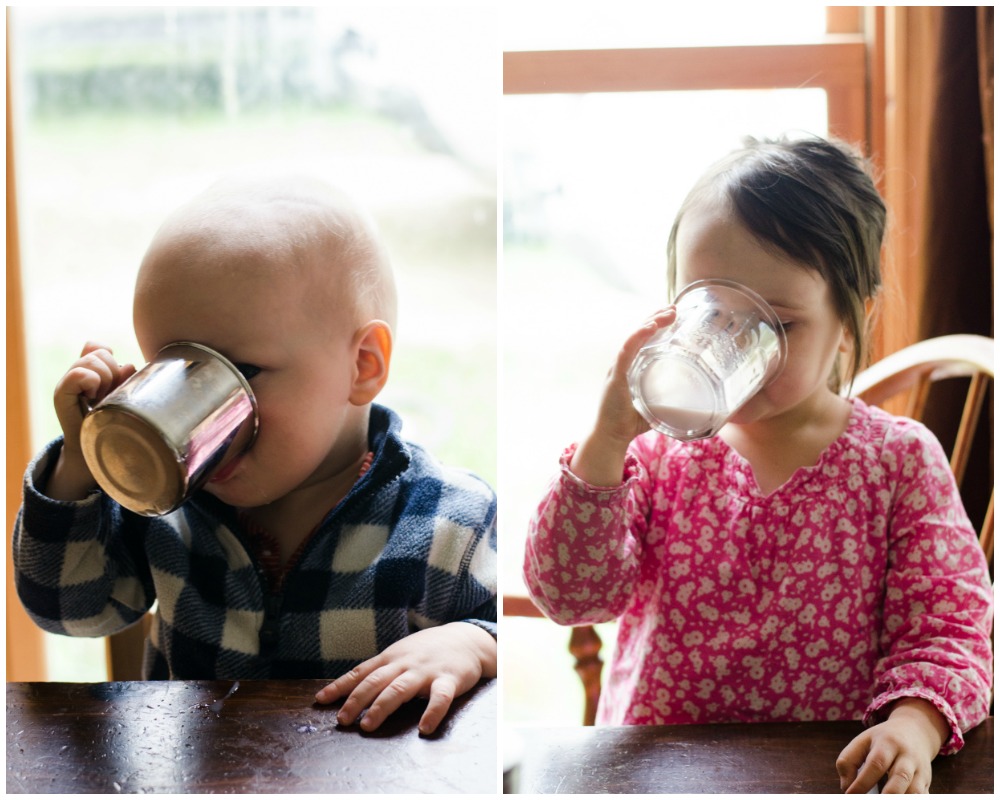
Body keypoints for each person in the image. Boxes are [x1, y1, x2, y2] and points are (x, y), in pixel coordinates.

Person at [522, 135, 992, 793]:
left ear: (851, 321)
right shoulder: (656, 456)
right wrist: (606, 442)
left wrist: (915, 723)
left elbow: (951, 629)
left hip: (824, 774)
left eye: (780, 324)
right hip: (663, 773)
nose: (735, 348)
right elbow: (570, 594)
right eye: (712, 312)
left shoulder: (899, 463)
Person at [13, 175, 497, 736]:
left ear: (363, 365)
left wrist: (475, 643)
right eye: (170, 370)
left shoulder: (447, 521)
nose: (193, 411)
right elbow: (66, 607)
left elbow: (501, 684)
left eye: (240, 372)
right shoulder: (170, 510)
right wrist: (82, 462)